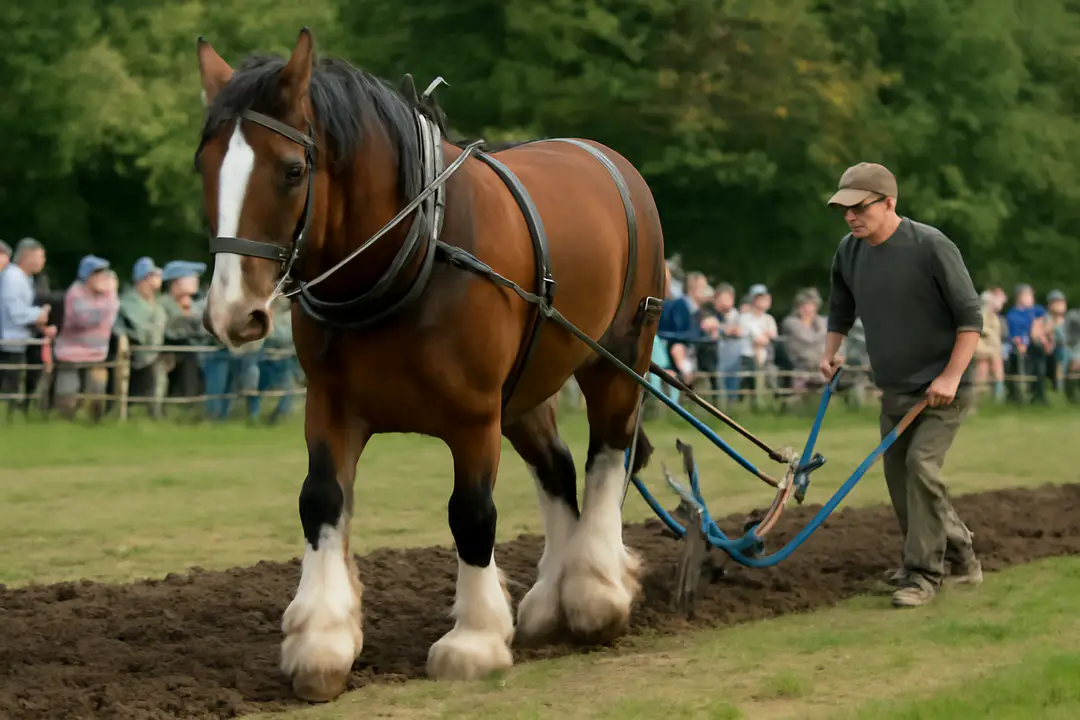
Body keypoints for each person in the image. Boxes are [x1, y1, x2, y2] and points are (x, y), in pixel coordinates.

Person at [819, 162, 984, 609]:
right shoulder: (849, 252)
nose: (851, 217)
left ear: (889, 202)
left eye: (860, 207)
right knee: (902, 480)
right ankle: (960, 549)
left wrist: (949, 377)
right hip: (894, 389)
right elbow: (840, 308)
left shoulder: (930, 246)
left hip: (943, 388)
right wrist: (831, 350)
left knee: (921, 469)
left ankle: (924, 574)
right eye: (845, 210)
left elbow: (971, 320)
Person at [52, 255, 120, 420]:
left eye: (104, 274)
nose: (102, 278)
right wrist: (105, 308)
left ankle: (94, 420)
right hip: (71, 351)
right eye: (97, 274)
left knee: (97, 390)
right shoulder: (75, 293)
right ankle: (65, 419)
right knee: (67, 393)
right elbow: (84, 319)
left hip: (97, 352)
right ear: (87, 276)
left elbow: (111, 316)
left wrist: (106, 303)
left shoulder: (109, 293)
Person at [0, 238, 53, 413]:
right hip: (10, 339)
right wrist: (39, 314)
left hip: (19, 338)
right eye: (40, 257)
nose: (43, 261)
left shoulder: (25, 278)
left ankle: (13, 414)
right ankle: (9, 414)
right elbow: (16, 312)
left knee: (16, 379)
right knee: (9, 381)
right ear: (27, 257)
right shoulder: (13, 278)